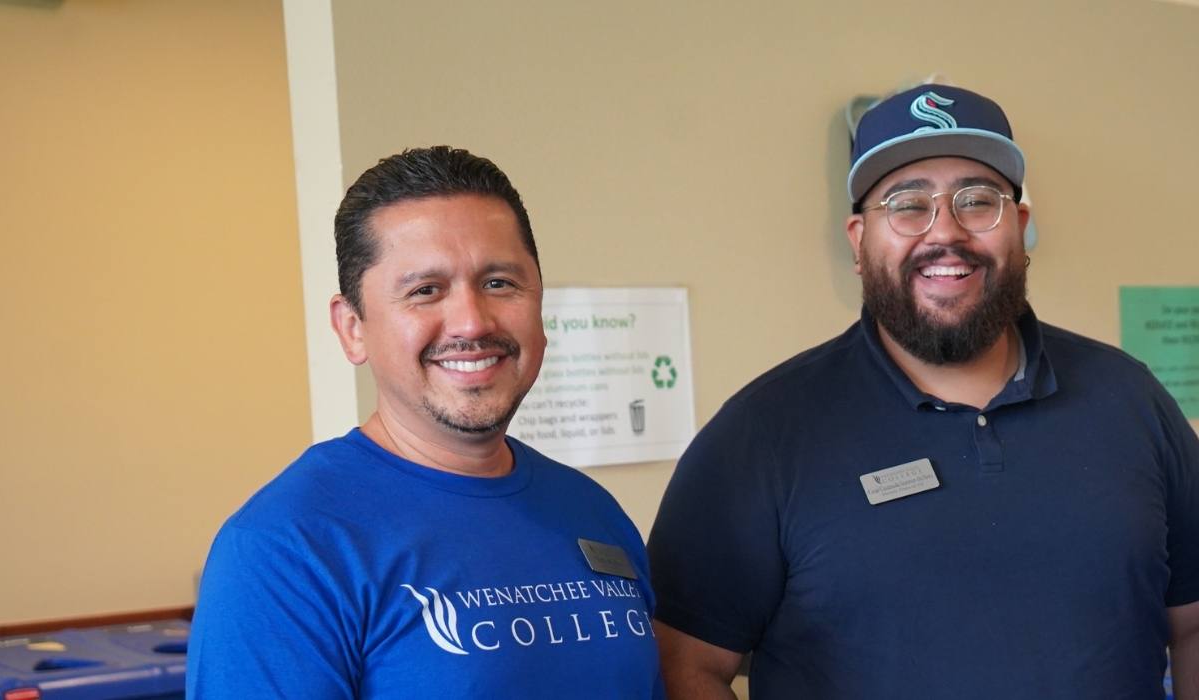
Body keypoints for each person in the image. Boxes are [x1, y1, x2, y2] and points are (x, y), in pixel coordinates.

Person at [647, 84, 1199, 699]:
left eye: (977, 201)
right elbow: (682, 664)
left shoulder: (1131, 401)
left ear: (1018, 226)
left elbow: (1195, 623)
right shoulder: (761, 435)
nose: (946, 233)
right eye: (907, 204)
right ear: (859, 240)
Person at [188, 147, 664, 699]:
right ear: (352, 329)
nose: (471, 321)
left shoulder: (591, 510)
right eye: (425, 291)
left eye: (499, 283)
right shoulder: (286, 550)